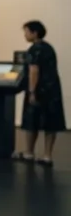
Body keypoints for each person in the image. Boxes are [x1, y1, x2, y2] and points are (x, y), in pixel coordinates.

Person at [12, 20, 65, 166]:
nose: (25, 34)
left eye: (27, 31)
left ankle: (29, 152)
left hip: (38, 89)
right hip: (52, 89)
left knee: (31, 119)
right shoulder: (49, 48)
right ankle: (47, 155)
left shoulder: (34, 49)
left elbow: (34, 70)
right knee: (51, 122)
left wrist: (32, 91)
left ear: (34, 33)